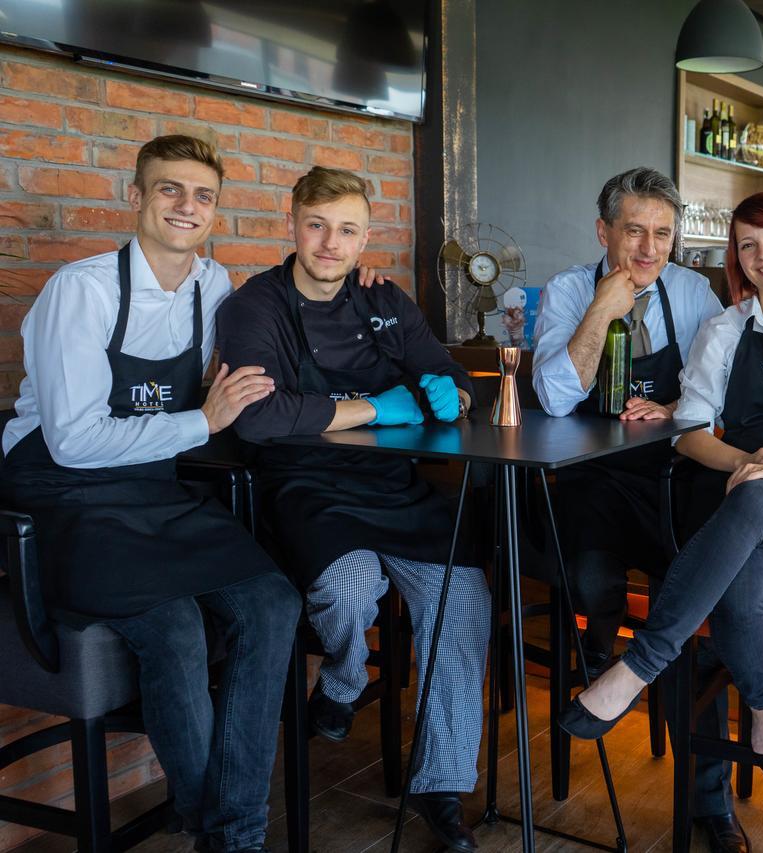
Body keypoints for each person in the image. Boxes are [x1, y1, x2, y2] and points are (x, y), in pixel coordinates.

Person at [0, 135, 300, 853]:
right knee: (171, 627)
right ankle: (233, 832)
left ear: (215, 211)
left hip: (151, 488)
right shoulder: (83, 289)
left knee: (274, 600)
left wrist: (356, 286)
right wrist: (201, 419)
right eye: (169, 189)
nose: (185, 206)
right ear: (133, 196)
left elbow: (281, 318)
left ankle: (224, 826)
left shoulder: (213, 286)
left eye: (202, 195)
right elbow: (73, 440)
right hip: (62, 495)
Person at [558, 192, 763, 809]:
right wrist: (746, 462)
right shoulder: (724, 328)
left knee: (750, 506)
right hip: (731, 479)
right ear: (736, 258)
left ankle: (639, 665)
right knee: (741, 568)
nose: (762, 254)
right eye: (747, 243)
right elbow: (692, 432)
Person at [215, 166, 489, 853]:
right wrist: (375, 407)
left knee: (463, 595)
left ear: (365, 237)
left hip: (392, 486)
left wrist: (445, 391)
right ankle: (343, 675)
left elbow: (450, 377)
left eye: (346, 230)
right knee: (347, 588)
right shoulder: (255, 307)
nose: (330, 244)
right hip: (305, 487)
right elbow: (256, 419)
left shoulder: (383, 299)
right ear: (291, 225)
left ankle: (440, 784)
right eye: (316, 226)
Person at [532, 168, 743, 851]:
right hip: (595, 473)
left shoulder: (694, 292)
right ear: (604, 232)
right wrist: (602, 306)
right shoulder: (568, 289)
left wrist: (678, 409)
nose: (650, 249)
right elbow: (559, 397)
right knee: (590, 578)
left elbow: (720, 391)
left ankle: (709, 801)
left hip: (679, 476)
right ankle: (600, 652)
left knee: (697, 625)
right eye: (634, 231)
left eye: (662, 233)